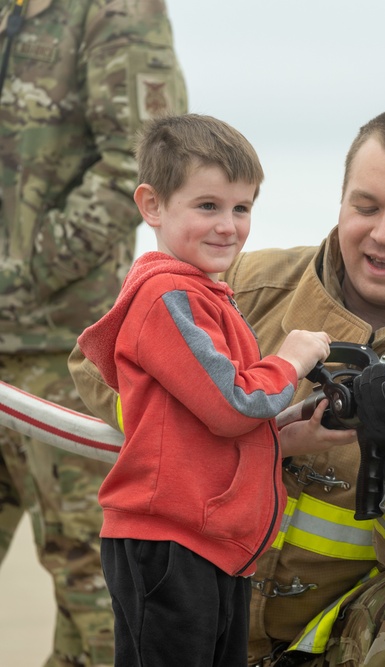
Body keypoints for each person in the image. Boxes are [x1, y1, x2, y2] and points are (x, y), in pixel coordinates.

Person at [70, 105, 385, 667]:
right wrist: (240, 431)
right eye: (366, 207)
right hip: (202, 611)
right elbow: (96, 367)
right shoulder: (238, 289)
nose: (383, 234)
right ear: (342, 200)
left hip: (334, 642)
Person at [76, 113, 333, 666]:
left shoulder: (206, 297)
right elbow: (234, 404)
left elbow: (208, 430)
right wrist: (290, 359)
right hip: (170, 546)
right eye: (208, 206)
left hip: (213, 549)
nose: (229, 226)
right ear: (152, 206)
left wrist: (288, 432)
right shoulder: (169, 298)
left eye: (242, 208)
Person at [0, 1, 186, 664]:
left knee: (95, 599)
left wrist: (20, 273)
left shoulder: (115, 11)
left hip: (59, 353)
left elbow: (139, 162)